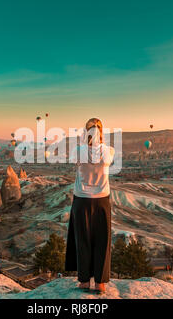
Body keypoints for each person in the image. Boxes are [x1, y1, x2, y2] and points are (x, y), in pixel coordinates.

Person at [65, 118, 115, 294]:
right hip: (102, 199)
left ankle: (84, 280)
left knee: (82, 239)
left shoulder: (78, 151)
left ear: (86, 132)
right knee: (102, 240)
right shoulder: (109, 151)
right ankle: (100, 283)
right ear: (102, 131)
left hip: (82, 199)